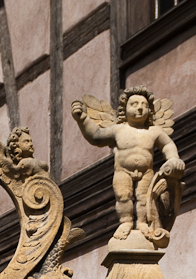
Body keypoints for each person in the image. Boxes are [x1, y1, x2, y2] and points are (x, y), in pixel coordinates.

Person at [71, 87, 184, 242]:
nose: (140, 108)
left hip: (146, 172)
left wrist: (173, 158)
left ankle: (142, 223)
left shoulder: (154, 131)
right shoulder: (118, 130)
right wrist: (82, 119)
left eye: (144, 105)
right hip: (122, 171)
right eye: (134, 104)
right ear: (124, 110)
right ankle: (126, 222)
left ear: (150, 110)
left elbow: (167, 145)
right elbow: (96, 136)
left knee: (145, 199)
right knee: (123, 196)